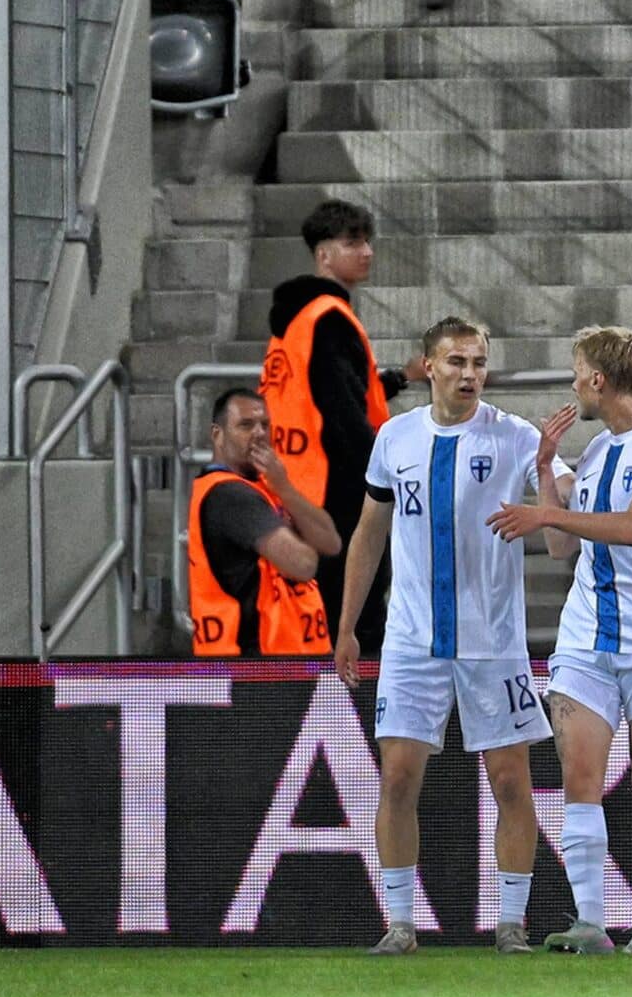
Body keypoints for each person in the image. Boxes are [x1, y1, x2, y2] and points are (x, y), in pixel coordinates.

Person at [336, 318, 561, 956]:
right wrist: (349, 624)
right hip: (411, 642)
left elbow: (560, 522)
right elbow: (369, 532)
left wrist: (547, 477)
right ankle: (401, 923)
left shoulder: (516, 437)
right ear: (428, 367)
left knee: (512, 782)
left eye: (480, 363)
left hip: (493, 642)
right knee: (398, 779)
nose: (470, 374)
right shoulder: (394, 437)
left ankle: (512, 924)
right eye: (457, 361)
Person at [485, 327, 632, 956]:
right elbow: (560, 547)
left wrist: (547, 511)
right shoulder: (600, 453)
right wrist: (547, 473)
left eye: (578, 372)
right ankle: (590, 922)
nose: (574, 384)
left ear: (600, 381)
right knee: (579, 776)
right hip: (585, 639)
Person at [262, 197, 399, 653]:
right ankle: (356, 719)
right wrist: (384, 471)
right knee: (356, 616)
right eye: (352, 242)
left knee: (317, 615)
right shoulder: (329, 320)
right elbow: (341, 410)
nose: (367, 251)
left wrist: (396, 380)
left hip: (300, 481)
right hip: (338, 487)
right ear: (324, 254)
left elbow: (324, 392)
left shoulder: (294, 319)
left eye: (367, 241)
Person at [186, 389, 342, 658]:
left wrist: (285, 489)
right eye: (246, 425)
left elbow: (331, 542)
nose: (259, 433)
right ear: (217, 435)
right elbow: (303, 565)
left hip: (289, 657)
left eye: (265, 425)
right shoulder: (230, 495)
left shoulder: (264, 487)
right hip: (256, 662)